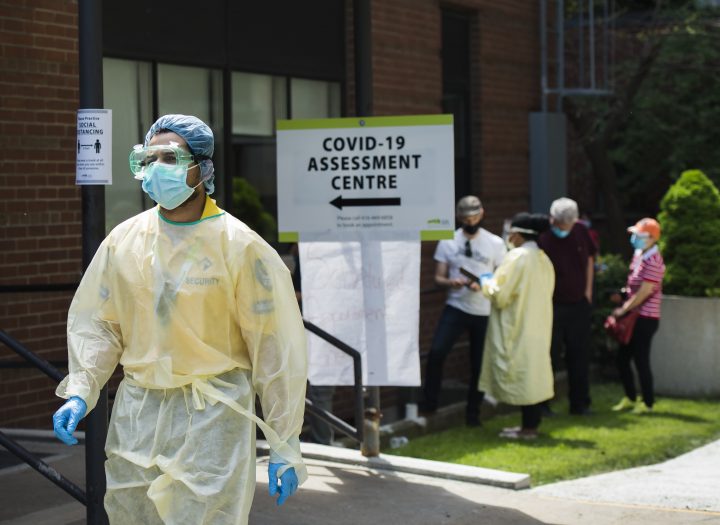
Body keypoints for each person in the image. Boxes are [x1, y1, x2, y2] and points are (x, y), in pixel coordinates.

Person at [51, 114, 307, 524]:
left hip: (212, 416)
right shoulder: (124, 241)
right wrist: (82, 388)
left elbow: (274, 348)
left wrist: (284, 440)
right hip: (138, 413)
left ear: (201, 167)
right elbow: (101, 324)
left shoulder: (240, 246)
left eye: (168, 157)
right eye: (147, 159)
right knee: (131, 515)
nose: (156, 169)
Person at [420, 195, 506, 426]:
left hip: (483, 309)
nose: (471, 221)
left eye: (475, 216)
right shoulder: (448, 241)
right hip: (456, 305)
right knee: (437, 352)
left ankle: (473, 414)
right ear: (459, 217)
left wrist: (484, 284)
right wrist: (452, 282)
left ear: (482, 214)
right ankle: (429, 405)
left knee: (479, 363)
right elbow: (438, 277)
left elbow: (502, 276)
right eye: (466, 218)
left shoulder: (495, 243)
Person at [479, 213, 555, 439]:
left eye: (511, 231)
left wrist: (486, 282)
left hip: (516, 326)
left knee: (521, 373)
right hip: (537, 325)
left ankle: (528, 429)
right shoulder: (543, 258)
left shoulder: (517, 258)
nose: (509, 236)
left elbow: (500, 295)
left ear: (520, 234)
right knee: (532, 373)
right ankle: (530, 425)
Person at [538, 197, 597, 416]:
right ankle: (542, 404)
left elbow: (590, 258)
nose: (564, 229)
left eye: (568, 225)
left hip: (579, 304)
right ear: (553, 219)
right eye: (561, 225)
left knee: (579, 355)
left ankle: (580, 403)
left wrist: (588, 291)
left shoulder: (581, 231)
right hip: (552, 305)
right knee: (548, 356)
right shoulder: (543, 235)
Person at [610, 218, 665, 414]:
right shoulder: (639, 255)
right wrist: (623, 294)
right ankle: (631, 397)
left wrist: (623, 309)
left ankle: (647, 402)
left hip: (645, 318)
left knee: (641, 360)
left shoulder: (654, 260)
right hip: (634, 314)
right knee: (622, 359)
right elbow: (633, 286)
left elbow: (644, 292)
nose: (635, 238)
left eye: (639, 235)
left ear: (652, 238)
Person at [291, 243, 335, 445]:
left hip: (322, 325)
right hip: (308, 326)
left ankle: (323, 442)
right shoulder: (306, 253)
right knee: (315, 388)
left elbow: (308, 292)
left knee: (321, 388)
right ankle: (321, 440)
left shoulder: (320, 255)